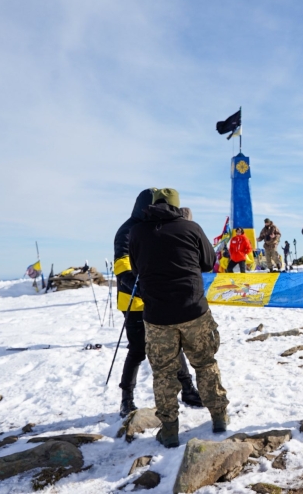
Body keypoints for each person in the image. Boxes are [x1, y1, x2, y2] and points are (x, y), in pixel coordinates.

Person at [130, 188, 230, 447]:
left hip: (157, 315)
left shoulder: (138, 232)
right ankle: (219, 417)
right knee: (205, 364)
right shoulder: (191, 228)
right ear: (177, 206)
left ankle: (170, 430)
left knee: (163, 373)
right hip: (193, 310)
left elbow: (135, 267)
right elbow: (209, 262)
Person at [114, 189, 202, 418]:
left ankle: (188, 389)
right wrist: (144, 288)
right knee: (137, 350)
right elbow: (122, 267)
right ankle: (127, 399)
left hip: (159, 299)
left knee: (175, 345)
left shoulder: (153, 226)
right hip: (134, 302)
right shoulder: (127, 230)